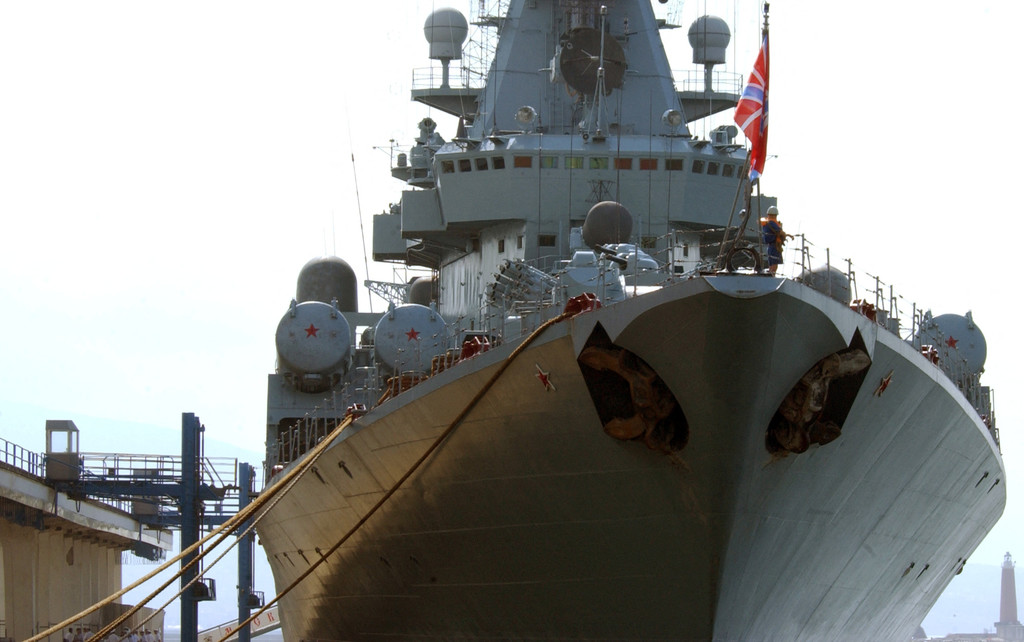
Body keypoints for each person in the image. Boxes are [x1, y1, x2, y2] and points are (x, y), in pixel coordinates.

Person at [760, 205, 792, 275]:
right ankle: (772, 274)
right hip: (775, 246)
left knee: (771, 263)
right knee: (774, 264)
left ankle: (770, 274)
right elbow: (780, 232)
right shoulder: (772, 223)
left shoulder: (766, 223)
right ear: (775, 215)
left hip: (770, 246)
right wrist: (788, 235)